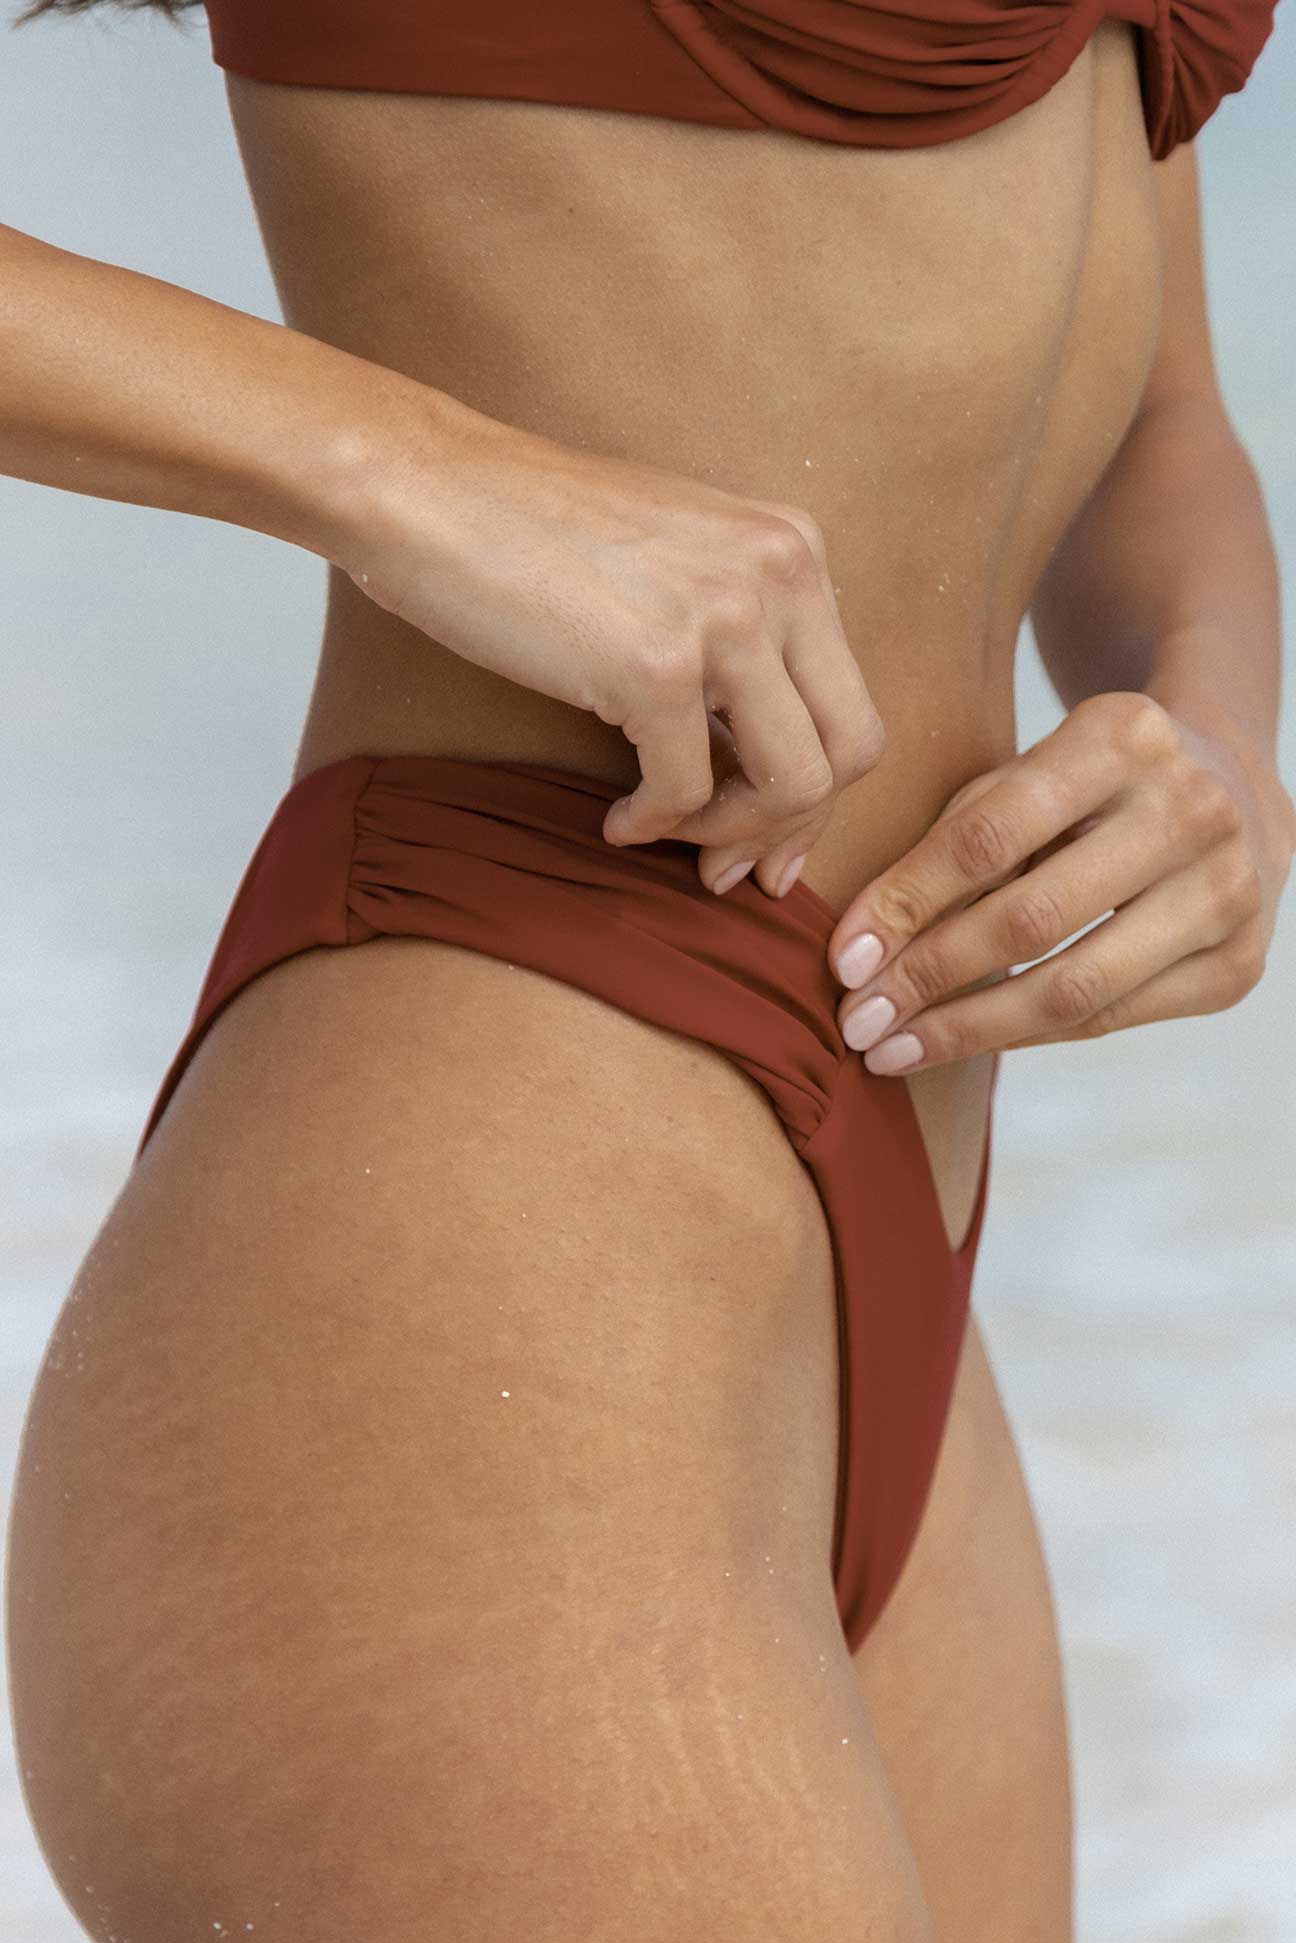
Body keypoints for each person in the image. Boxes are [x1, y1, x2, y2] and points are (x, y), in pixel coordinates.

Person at [4, 0, 1293, 1937]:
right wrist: (409, 473)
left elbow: (1153, 400)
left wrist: (1210, 727)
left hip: (888, 1293)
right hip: (479, 1235)